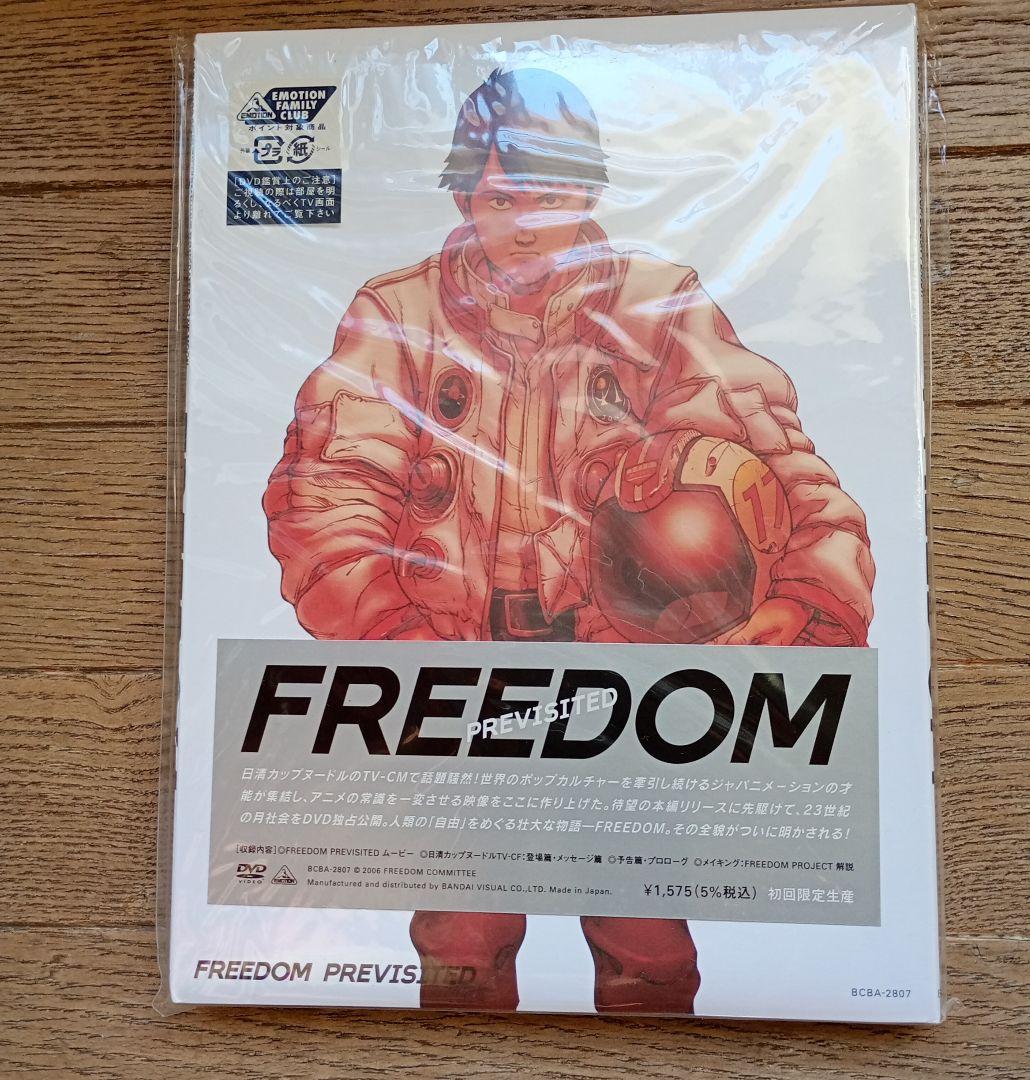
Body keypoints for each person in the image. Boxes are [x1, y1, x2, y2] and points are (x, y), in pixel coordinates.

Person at [264, 67, 874, 1013]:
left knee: (644, 925)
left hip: (623, 677)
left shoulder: (657, 305)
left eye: (549, 197)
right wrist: (395, 641)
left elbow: (778, 464)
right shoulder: (400, 317)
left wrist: (806, 603)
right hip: (455, 669)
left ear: (589, 193)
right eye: (502, 199)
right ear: (464, 196)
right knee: (461, 934)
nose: (525, 225)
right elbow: (331, 491)